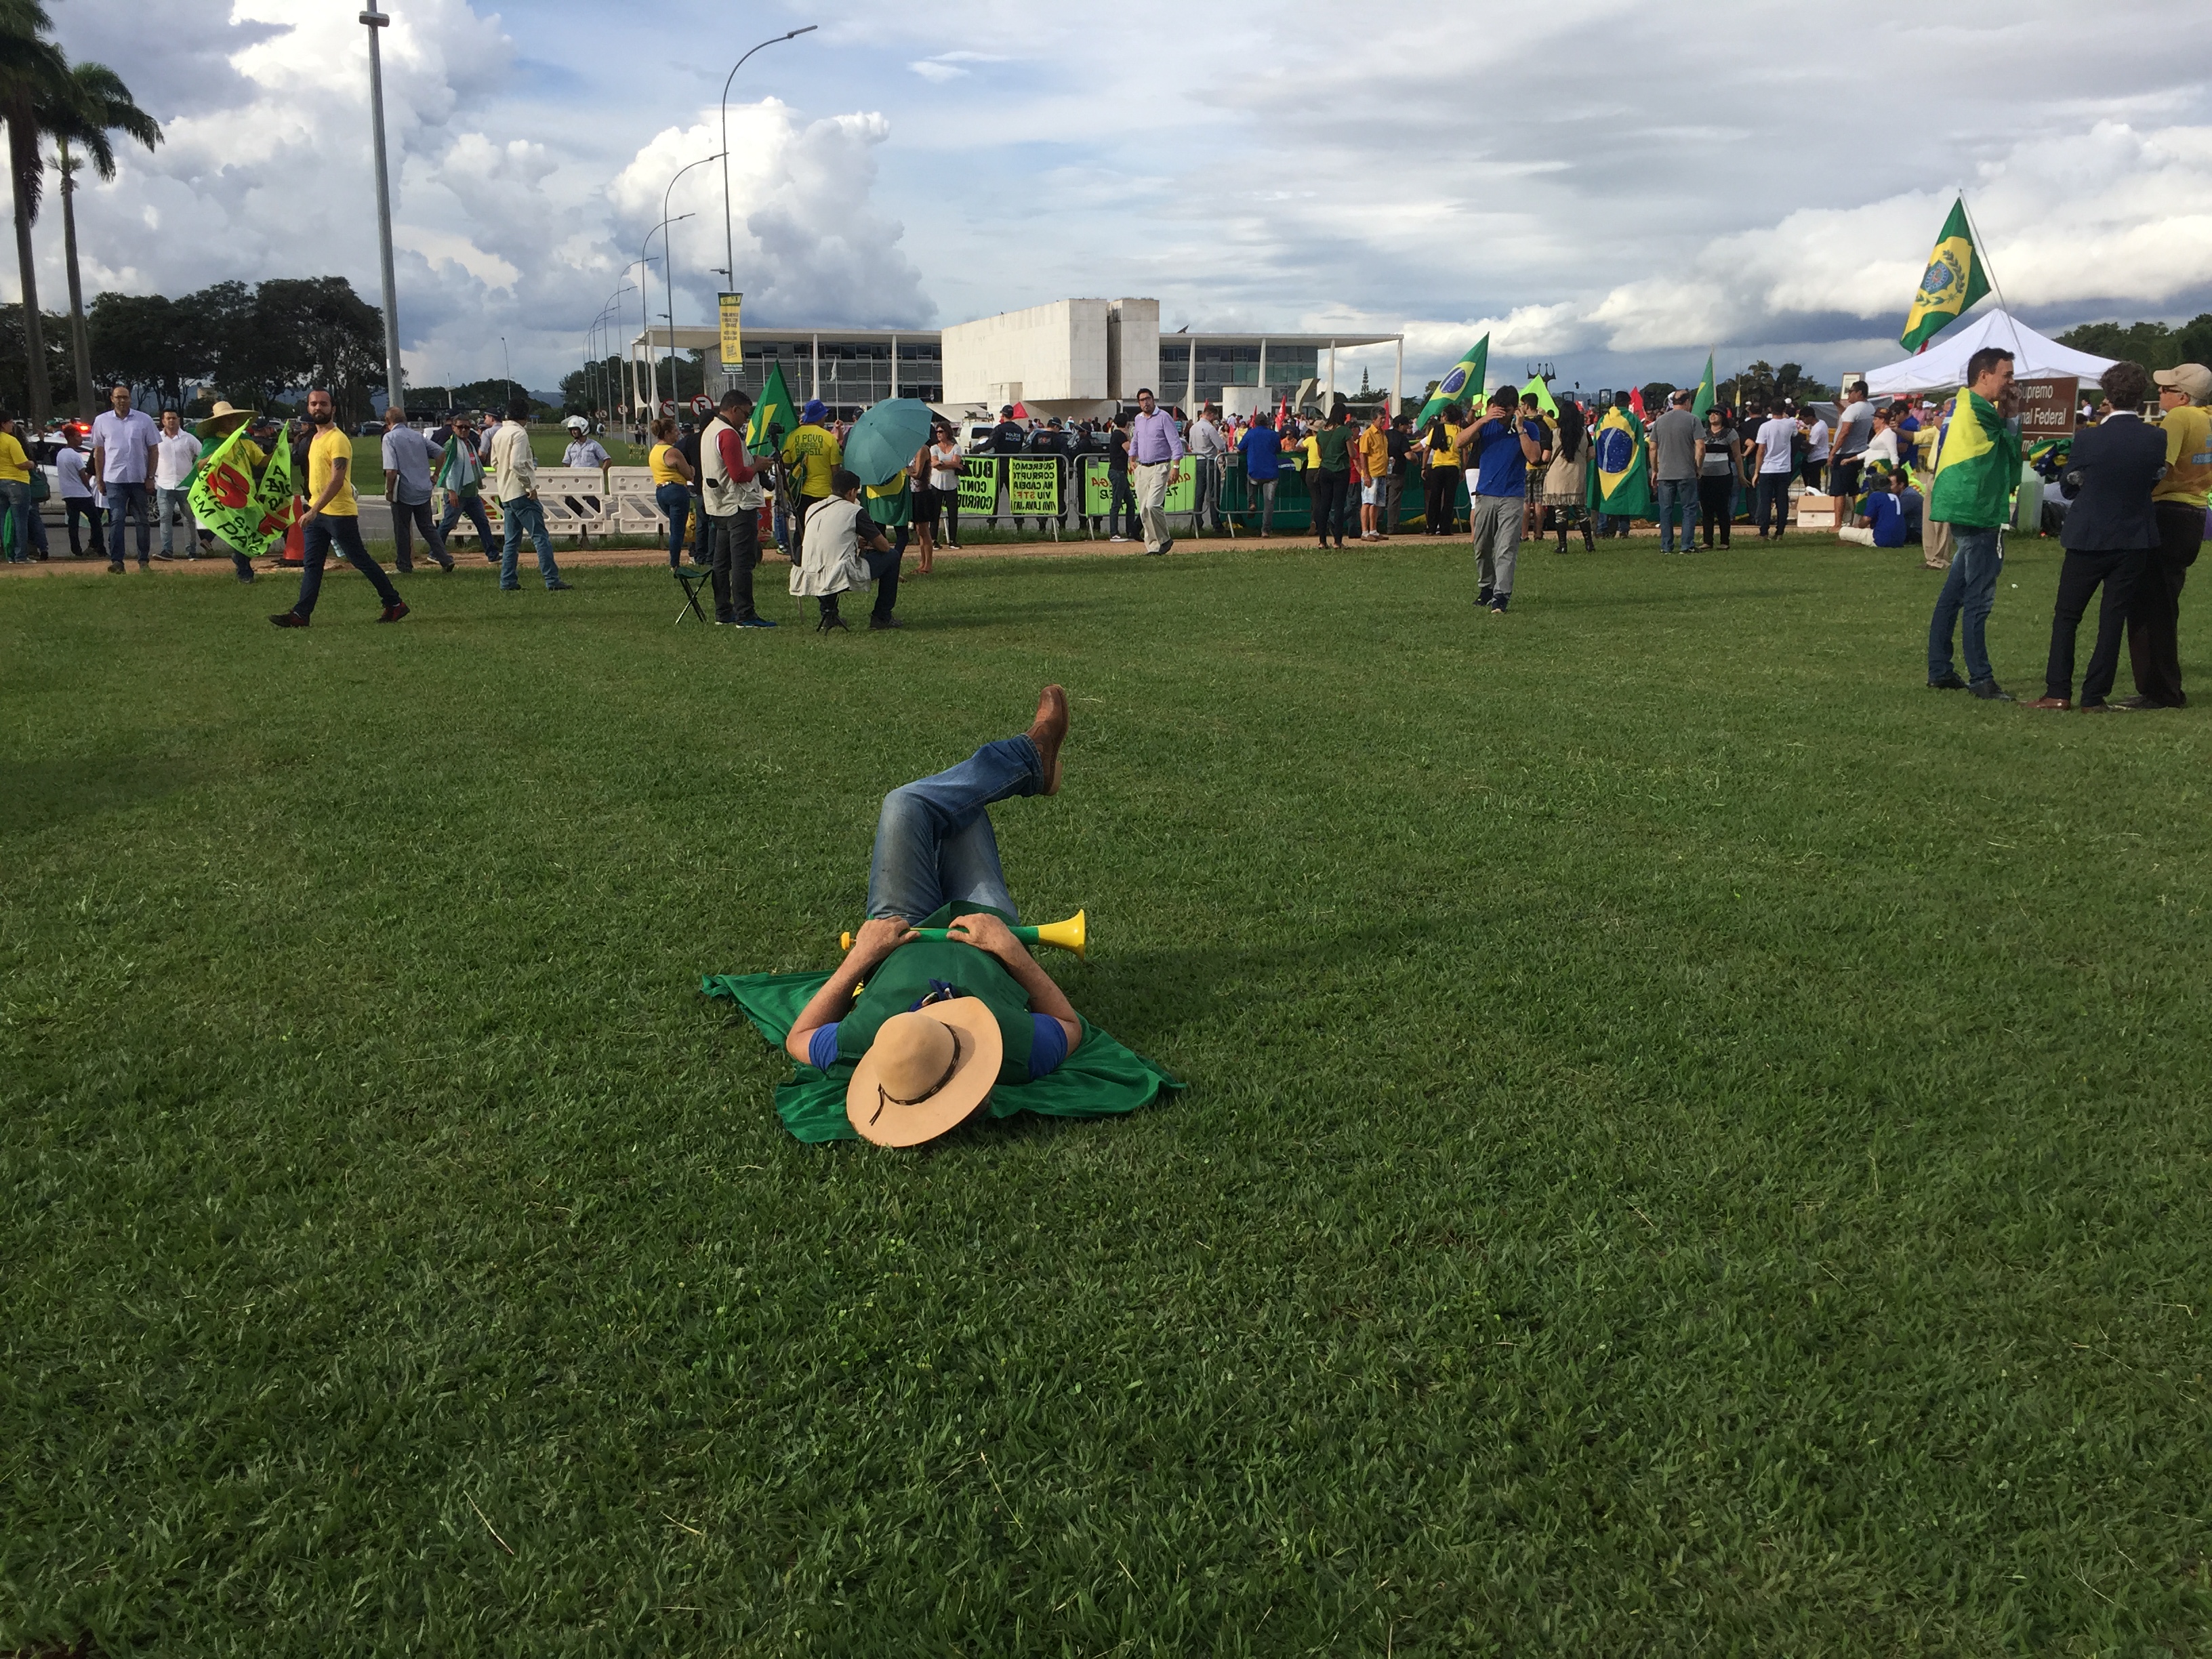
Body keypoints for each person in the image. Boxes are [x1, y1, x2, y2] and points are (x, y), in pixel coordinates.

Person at [780, 686, 1078, 1147]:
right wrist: (1012, 952)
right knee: (960, 811)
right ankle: (1030, 759)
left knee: (907, 804)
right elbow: (1070, 1025)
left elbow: (799, 1038)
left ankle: (1031, 761)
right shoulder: (1012, 1047)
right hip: (985, 924)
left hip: (899, 928)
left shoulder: (873, 1042)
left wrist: (862, 958)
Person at [2025, 361, 2163, 711]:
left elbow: (2070, 485)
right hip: (2133, 536)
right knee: (2112, 619)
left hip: (2088, 535)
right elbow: (2153, 480)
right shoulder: (2156, 437)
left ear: (2107, 395)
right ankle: (2094, 695)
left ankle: (2058, 691)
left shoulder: (2088, 438)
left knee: (2068, 616)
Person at [1926, 347, 2022, 699]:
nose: (2012, 383)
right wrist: (2013, 414)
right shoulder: (1982, 411)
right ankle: (1981, 678)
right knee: (1978, 600)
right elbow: (2013, 451)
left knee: (1953, 594)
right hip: (1979, 509)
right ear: (1985, 376)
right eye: (2007, 375)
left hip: (1962, 506)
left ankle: (1940, 669)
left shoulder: (1961, 405)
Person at [269, 388, 407, 628]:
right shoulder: (314, 439)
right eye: (313, 404)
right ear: (308, 408)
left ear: (332, 409)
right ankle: (301, 614)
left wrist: (313, 511)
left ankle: (394, 603)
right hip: (317, 512)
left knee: (360, 560)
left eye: (323, 404)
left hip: (338, 513)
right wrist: (312, 508)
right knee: (312, 565)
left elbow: (337, 479)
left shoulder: (338, 439)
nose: (318, 408)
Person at [2121, 363, 2211, 708]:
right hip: (2194, 513)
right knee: (2165, 602)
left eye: (2166, 389)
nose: (2159, 393)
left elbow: (2161, 467)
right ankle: (2164, 687)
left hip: (2166, 513)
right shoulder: (2207, 418)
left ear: (2184, 396)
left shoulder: (2178, 419)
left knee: (2147, 606)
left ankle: (2159, 690)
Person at [1457, 388, 1545, 613]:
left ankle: (1501, 595)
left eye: (1507, 411)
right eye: (1500, 410)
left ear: (1516, 408)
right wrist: (1483, 420)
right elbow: (1459, 442)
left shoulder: (1529, 428)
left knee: (1506, 547)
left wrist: (1520, 429)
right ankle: (1487, 586)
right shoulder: (1488, 425)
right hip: (1485, 494)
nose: (1503, 416)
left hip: (1512, 496)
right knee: (1482, 545)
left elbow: (1534, 457)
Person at [792, 467, 900, 632]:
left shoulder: (813, 509)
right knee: (892, 556)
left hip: (809, 572)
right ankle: (882, 616)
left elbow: (826, 539)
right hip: (840, 573)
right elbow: (883, 546)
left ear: (832, 489)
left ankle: (829, 614)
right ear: (852, 492)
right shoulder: (855, 511)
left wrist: (854, 541)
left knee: (826, 558)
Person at [701, 387, 773, 628]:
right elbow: (739, 474)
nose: (746, 420)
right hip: (738, 505)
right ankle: (746, 614)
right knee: (742, 563)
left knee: (721, 563)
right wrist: (758, 466)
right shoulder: (729, 434)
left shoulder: (710, 430)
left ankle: (723, 611)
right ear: (734, 410)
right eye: (745, 414)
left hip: (718, 504)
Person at [488, 396, 571, 592]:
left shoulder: (498, 433)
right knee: (540, 537)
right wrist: (529, 486)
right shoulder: (520, 434)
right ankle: (552, 579)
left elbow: (494, 463)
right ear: (525, 415)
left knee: (511, 541)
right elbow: (517, 464)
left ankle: (507, 581)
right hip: (521, 493)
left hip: (506, 493)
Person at [90, 382, 160, 572]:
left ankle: (143, 561)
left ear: (130, 399)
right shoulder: (102, 421)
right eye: (118, 397)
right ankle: (117, 561)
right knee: (117, 519)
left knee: (142, 521)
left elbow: (154, 450)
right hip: (114, 479)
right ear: (112, 399)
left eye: (125, 397)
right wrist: (99, 478)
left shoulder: (144, 420)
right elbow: (99, 451)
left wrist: (151, 477)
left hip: (139, 479)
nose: (122, 400)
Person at [381, 403, 452, 575]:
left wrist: (389, 491)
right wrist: (436, 475)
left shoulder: (389, 438)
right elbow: (440, 453)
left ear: (388, 421)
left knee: (402, 528)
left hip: (403, 489)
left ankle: (404, 565)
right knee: (427, 526)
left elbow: (391, 470)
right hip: (423, 487)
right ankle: (445, 558)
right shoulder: (418, 436)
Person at [779, 398, 842, 564]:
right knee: (823, 531)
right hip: (824, 494)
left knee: (801, 529)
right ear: (820, 417)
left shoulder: (792, 436)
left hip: (799, 493)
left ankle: (798, 562)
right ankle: (821, 562)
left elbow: (785, 463)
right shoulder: (829, 439)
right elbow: (836, 470)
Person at [1127, 388, 1183, 556]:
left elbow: (1175, 443)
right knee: (1144, 509)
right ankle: (1153, 547)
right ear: (1139, 403)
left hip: (1161, 466)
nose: (1146, 402)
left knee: (1153, 505)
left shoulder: (1163, 417)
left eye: (1148, 399)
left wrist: (1176, 467)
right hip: (1142, 467)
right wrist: (1131, 458)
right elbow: (1135, 439)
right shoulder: (1138, 419)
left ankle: (1165, 539)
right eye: (1142, 400)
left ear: (1153, 400)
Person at [436, 415, 497, 561]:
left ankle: (493, 555)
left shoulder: (469, 444)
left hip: (471, 493)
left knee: (482, 523)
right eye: (460, 427)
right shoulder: (451, 445)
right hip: (457, 493)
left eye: (467, 427)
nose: (464, 430)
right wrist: (451, 491)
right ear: (453, 428)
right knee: (448, 524)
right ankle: (435, 552)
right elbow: (447, 469)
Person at [1647, 388, 1701, 554]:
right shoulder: (1693, 419)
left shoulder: (1660, 421)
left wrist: (1655, 470)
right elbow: (1700, 446)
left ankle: (1666, 546)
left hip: (1665, 472)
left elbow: (1652, 448)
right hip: (1686, 471)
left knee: (1666, 510)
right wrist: (1698, 467)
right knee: (1689, 509)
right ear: (1687, 402)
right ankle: (1687, 545)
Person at [1542, 399, 1594, 552]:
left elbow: (1545, 457)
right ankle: (1589, 544)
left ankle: (1563, 546)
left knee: (1560, 512)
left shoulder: (1554, 434)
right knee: (1581, 511)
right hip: (1577, 475)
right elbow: (1591, 454)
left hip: (1558, 476)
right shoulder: (1585, 433)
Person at [152, 409, 203, 562]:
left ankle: (191, 551)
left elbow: (202, 456)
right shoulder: (157, 439)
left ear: (179, 420)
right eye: (168, 418)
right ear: (163, 421)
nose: (171, 421)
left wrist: (197, 475)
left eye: (174, 418)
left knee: (188, 519)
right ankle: (167, 551)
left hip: (185, 485)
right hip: (164, 484)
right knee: (165, 518)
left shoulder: (189, 439)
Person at [647, 416, 695, 568]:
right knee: (677, 530)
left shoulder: (655, 451)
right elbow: (689, 474)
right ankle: (675, 564)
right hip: (676, 490)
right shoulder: (672, 451)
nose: (678, 434)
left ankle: (675, 561)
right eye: (675, 431)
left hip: (661, 490)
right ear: (667, 433)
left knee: (674, 526)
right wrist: (692, 469)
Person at [1696, 405, 1744, 549]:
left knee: (1723, 509)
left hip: (1723, 476)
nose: (1713, 416)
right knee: (1706, 509)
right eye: (1711, 414)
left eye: (1717, 414)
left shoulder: (1730, 433)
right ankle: (1707, 541)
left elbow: (1737, 455)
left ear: (1723, 417)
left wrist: (1741, 474)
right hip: (1705, 475)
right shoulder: (1703, 433)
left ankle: (1724, 541)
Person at [1749, 402, 1798, 539]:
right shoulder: (1790, 424)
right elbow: (1795, 434)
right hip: (1783, 468)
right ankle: (1780, 531)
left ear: (1770, 409)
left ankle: (1764, 532)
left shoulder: (1765, 427)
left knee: (1765, 501)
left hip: (1767, 468)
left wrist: (1757, 472)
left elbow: (1761, 450)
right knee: (1782, 501)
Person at [54, 424, 100, 558]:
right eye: (78, 436)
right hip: (81, 494)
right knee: (95, 520)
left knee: (73, 524)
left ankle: (76, 549)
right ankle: (97, 546)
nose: (81, 439)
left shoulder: (61, 454)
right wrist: (88, 488)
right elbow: (83, 475)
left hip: (67, 494)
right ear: (71, 438)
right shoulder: (75, 456)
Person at [1235, 410, 1284, 536]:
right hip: (1271, 473)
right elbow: (1279, 450)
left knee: (1250, 480)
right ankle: (1265, 530)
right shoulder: (1274, 435)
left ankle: (1252, 502)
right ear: (1267, 423)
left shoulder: (1250, 433)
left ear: (1255, 423)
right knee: (1269, 503)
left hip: (1254, 471)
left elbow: (1240, 448)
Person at [1838, 466, 1909, 547]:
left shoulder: (1876, 495)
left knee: (1843, 531)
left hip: (1881, 540)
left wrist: (1858, 526)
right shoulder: (1895, 497)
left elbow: (1866, 520)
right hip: (1899, 541)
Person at [1420, 407, 1462, 535]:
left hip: (1437, 467)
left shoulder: (1436, 429)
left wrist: (1423, 467)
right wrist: (1463, 468)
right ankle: (1445, 528)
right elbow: (1465, 451)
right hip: (1453, 466)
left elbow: (1427, 450)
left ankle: (1432, 527)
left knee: (1435, 497)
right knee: (1449, 498)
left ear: (1445, 417)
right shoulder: (1459, 430)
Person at [1187, 402, 1227, 534]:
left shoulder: (1193, 428)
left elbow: (1190, 446)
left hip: (1198, 461)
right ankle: (1216, 523)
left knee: (1199, 493)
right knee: (1214, 493)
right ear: (1210, 415)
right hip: (1210, 460)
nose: (1215, 419)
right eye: (1214, 416)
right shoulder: (1209, 429)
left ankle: (1198, 522)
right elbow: (1221, 446)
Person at [1830, 380, 1873, 498]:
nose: (1848, 394)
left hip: (1845, 452)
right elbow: (1848, 416)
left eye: (1851, 392)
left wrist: (1833, 453)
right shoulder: (1870, 407)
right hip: (1860, 450)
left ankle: (1839, 517)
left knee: (1839, 492)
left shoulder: (1853, 409)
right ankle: (1856, 516)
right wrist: (1838, 404)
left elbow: (1845, 432)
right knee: (1854, 490)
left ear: (1859, 393)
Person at [0, 412, 32, 562]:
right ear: (3, 424)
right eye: (10, 422)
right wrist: (32, 463)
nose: (12, 425)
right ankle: (21, 555)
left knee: (4, 520)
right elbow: (21, 463)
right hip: (17, 481)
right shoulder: (11, 441)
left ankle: (9, 554)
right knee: (20, 520)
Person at [1355, 407, 1390, 540]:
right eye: (1381, 418)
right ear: (1374, 419)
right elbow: (1362, 454)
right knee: (1367, 502)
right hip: (1372, 472)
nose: (1383, 421)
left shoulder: (1383, 434)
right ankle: (1364, 531)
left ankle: (1373, 530)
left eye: (1384, 418)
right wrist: (1366, 474)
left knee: (1376, 503)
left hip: (1381, 472)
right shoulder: (1368, 435)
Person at [928, 422, 962, 552]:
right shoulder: (934, 448)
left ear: (947, 432)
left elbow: (956, 462)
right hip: (936, 483)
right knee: (935, 513)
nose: (938, 434)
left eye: (941, 431)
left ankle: (953, 540)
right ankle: (933, 539)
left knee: (953, 513)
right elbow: (934, 463)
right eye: (937, 432)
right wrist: (946, 463)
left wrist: (942, 464)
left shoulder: (956, 447)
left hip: (951, 483)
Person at [1101, 415, 1134, 541]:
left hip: (1121, 473)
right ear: (1125, 424)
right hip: (1117, 472)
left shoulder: (1118, 434)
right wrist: (1129, 436)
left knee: (1130, 503)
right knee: (1116, 503)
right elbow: (1130, 449)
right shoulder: (1119, 435)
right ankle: (1113, 533)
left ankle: (1131, 531)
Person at [1803, 405, 1831, 491]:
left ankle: (1813, 495)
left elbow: (1811, 446)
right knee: (1814, 481)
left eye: (1804, 418)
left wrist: (1803, 452)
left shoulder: (1817, 429)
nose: (1803, 421)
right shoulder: (1822, 423)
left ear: (1810, 417)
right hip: (1823, 454)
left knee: (1813, 482)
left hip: (1816, 458)